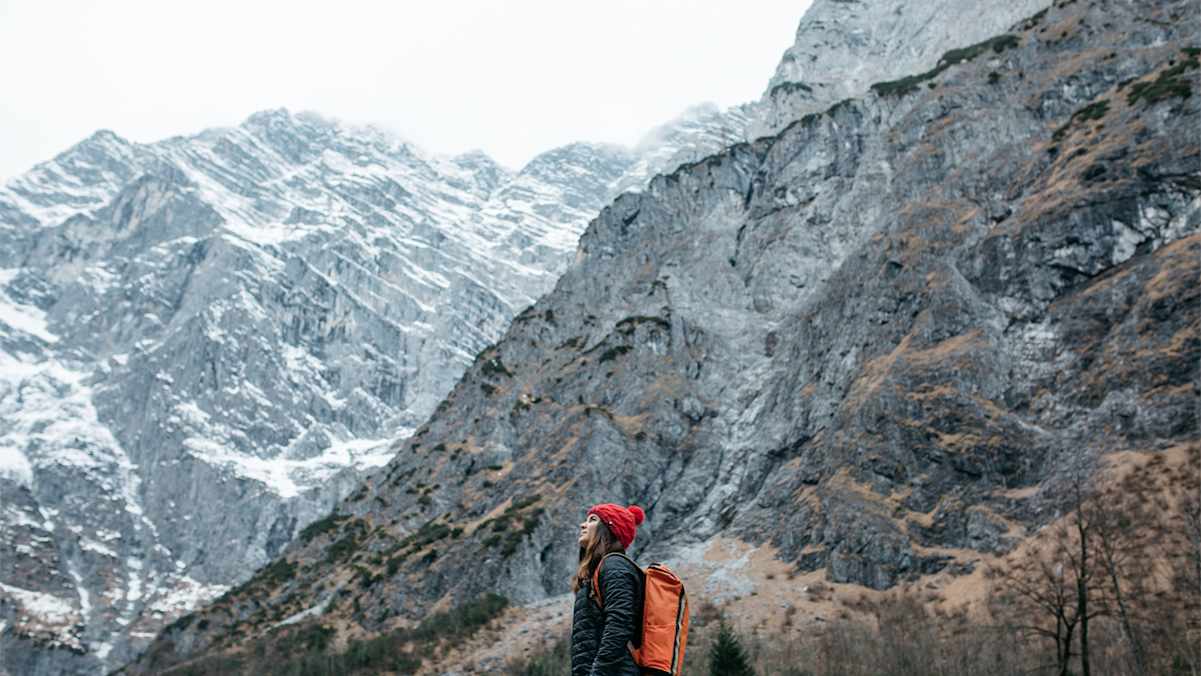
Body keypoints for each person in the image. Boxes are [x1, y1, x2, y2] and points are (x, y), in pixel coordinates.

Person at [570, 503, 646, 676]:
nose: (583, 525)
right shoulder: (597, 573)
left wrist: (598, 673)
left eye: (593, 520)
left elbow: (619, 625)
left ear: (609, 529)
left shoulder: (614, 566)